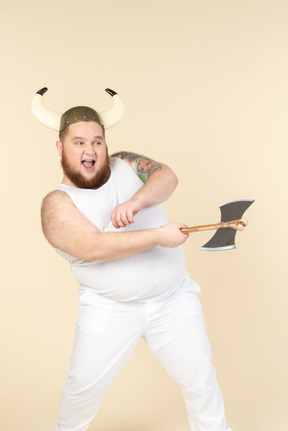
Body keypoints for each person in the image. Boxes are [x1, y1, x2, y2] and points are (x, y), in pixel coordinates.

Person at [32, 88, 233, 431]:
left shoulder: (125, 162)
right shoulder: (57, 204)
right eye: (79, 142)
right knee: (82, 389)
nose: (90, 150)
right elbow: (94, 247)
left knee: (201, 377)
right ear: (60, 147)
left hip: (173, 299)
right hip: (110, 309)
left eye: (97, 141)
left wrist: (136, 203)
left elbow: (167, 176)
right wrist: (158, 236)